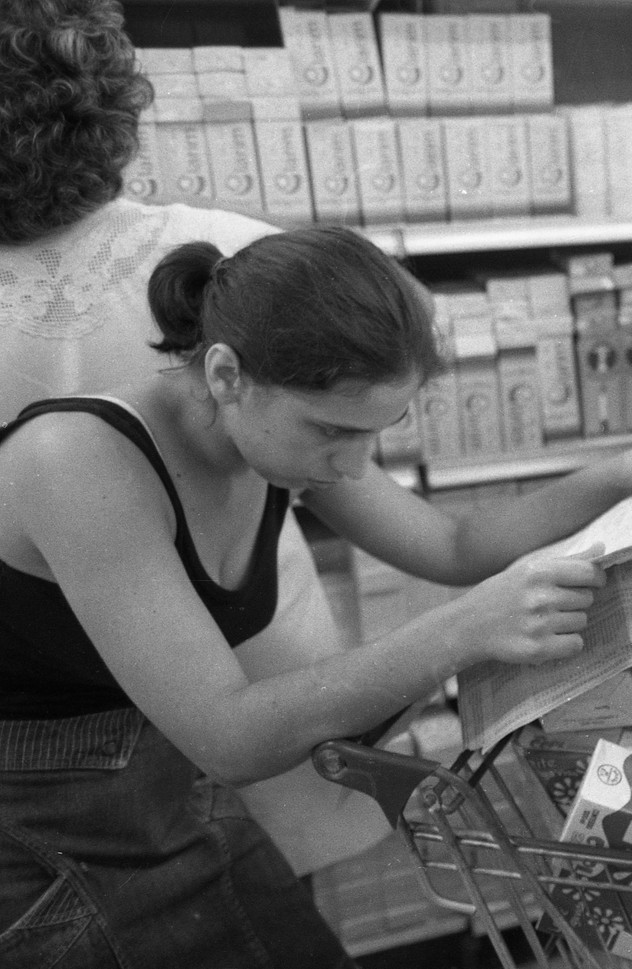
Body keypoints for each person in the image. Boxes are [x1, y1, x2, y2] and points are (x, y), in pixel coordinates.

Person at [0, 226, 632, 967]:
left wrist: (619, 475)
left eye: (378, 432)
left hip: (163, 783)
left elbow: (451, 545)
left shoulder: (272, 431)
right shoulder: (76, 461)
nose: (351, 467)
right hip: (33, 825)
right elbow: (229, 735)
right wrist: (462, 631)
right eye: (334, 432)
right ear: (224, 374)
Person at [0, 0, 382, 878]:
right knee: (283, 911)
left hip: (57, 753)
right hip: (271, 685)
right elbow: (361, 485)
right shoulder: (236, 254)